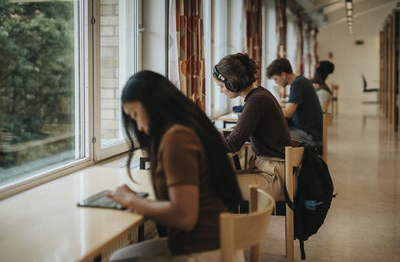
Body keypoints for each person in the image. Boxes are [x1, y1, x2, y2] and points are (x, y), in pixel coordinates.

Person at [107, 70, 244, 262]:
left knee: (118, 260)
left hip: (204, 251)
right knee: (120, 257)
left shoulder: (177, 139)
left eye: (136, 114)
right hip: (218, 242)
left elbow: (184, 217)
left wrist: (132, 201)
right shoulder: (190, 125)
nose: (137, 126)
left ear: (153, 105)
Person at [213, 53, 291, 202]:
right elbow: (240, 133)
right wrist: (209, 134)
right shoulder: (259, 95)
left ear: (232, 82)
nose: (220, 91)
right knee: (220, 178)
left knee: (214, 185)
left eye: (221, 86)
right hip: (271, 169)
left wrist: (197, 141)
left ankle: (234, 225)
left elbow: (232, 144)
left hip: (273, 176)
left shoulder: (256, 101)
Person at [267, 58, 323, 147]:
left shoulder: (298, 84)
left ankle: (282, 160)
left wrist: (267, 109)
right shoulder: (301, 81)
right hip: (310, 131)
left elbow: (288, 113)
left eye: (276, 79)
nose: (276, 83)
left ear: (283, 75)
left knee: (269, 136)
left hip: (311, 136)